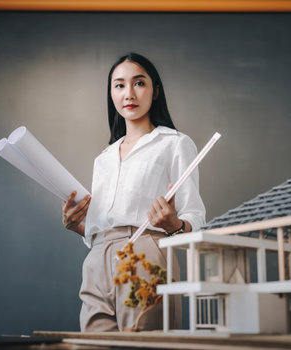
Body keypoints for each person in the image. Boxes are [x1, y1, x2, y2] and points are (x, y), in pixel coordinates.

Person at [62, 53, 206, 332]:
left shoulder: (174, 143)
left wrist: (174, 225)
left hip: (147, 252)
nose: (129, 93)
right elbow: (103, 228)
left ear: (155, 91)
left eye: (139, 83)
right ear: (111, 94)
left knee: (143, 341)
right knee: (94, 341)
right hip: (97, 258)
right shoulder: (103, 158)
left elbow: (196, 218)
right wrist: (77, 226)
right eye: (119, 85)